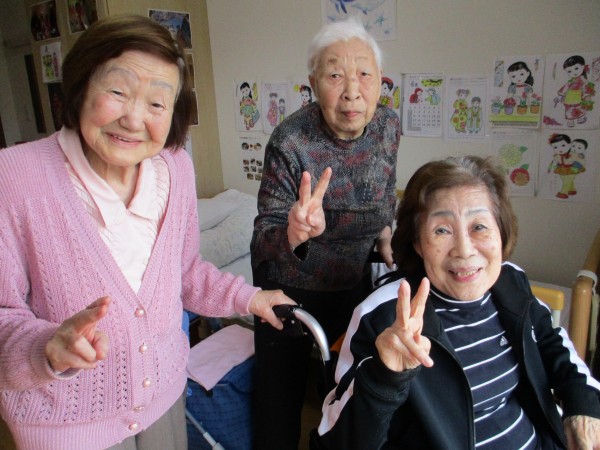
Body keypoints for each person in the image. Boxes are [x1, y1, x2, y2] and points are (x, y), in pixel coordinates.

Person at [0, 15, 294, 450]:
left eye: (157, 103)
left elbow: (184, 271)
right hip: (65, 423)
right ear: (80, 88)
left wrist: (250, 298)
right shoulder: (13, 176)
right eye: (117, 92)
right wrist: (47, 347)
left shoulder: (175, 167)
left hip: (164, 397)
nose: (134, 119)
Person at [313, 155, 600, 449]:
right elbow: (334, 441)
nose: (463, 250)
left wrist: (583, 403)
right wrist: (383, 379)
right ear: (417, 243)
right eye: (442, 230)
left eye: (479, 227)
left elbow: (551, 340)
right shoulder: (384, 314)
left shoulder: (509, 282)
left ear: (501, 232)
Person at [250, 15, 400, 450]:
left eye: (364, 74)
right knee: (278, 405)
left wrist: (385, 231)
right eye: (335, 75)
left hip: (352, 283)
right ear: (313, 83)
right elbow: (264, 237)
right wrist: (295, 231)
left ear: (380, 80)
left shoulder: (388, 126)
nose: (352, 90)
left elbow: (386, 190)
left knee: (344, 394)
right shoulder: (290, 141)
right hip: (290, 290)